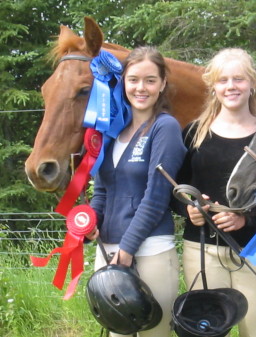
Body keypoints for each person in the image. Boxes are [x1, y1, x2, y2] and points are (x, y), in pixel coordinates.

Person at [175, 48, 256, 337]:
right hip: (201, 252)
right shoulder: (194, 133)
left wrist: (248, 221)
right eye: (223, 80)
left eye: (239, 79)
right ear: (213, 87)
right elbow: (174, 190)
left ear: (251, 83)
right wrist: (188, 210)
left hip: (255, 253)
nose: (231, 86)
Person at [86, 46, 187, 337]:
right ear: (123, 82)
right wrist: (93, 220)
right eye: (133, 79)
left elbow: (156, 196)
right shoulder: (113, 129)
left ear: (162, 84)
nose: (140, 88)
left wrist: (127, 248)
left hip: (150, 252)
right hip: (108, 253)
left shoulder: (165, 128)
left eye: (150, 80)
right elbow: (102, 191)